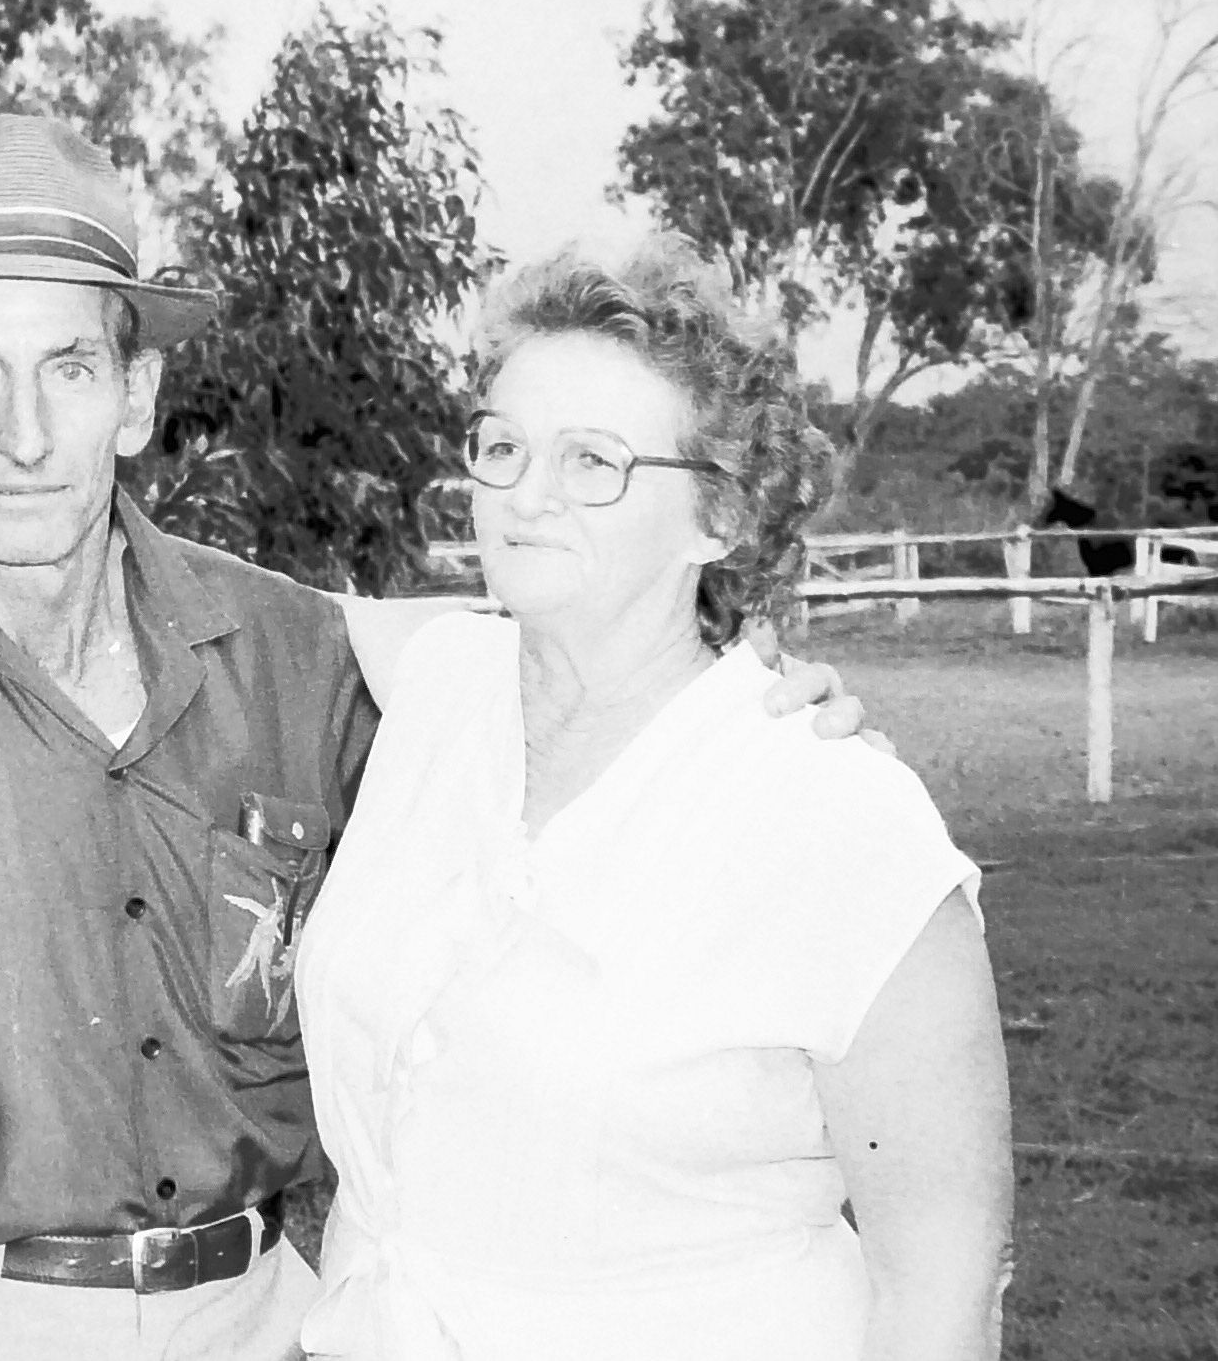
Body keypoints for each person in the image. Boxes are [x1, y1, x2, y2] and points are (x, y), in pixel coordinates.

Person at [0, 117, 868, 1361]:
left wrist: (727, 700)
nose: (23, 434)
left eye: (68, 366)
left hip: (263, 1314)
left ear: (134, 396)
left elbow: (558, 697)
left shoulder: (290, 654)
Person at [293, 245, 1013, 1359]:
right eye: (503, 445)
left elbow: (941, 1290)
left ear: (719, 516)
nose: (526, 495)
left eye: (593, 462)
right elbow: (204, 599)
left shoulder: (836, 818)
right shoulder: (437, 683)